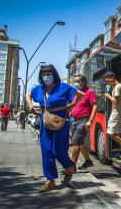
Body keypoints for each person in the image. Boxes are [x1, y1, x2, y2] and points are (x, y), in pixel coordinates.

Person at [25, 64, 85, 192]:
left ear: (54, 75)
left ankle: (69, 166)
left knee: (58, 149)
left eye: (49, 74)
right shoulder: (39, 88)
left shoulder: (62, 87)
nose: (46, 76)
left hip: (60, 118)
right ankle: (50, 180)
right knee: (46, 149)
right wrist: (31, 106)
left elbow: (81, 94)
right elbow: (27, 95)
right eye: (44, 74)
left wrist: (72, 106)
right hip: (45, 118)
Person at [69, 75, 97, 170]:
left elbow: (95, 106)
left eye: (77, 81)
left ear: (83, 82)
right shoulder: (76, 93)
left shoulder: (90, 92)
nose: (75, 83)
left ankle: (72, 167)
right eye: (74, 81)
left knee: (75, 142)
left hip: (84, 120)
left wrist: (90, 120)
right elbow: (74, 106)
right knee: (79, 142)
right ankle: (88, 161)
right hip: (74, 120)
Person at [103, 72, 121, 158]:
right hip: (120, 113)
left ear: (112, 78)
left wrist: (108, 96)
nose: (107, 83)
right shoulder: (119, 86)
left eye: (107, 81)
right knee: (120, 133)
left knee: (111, 133)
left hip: (116, 113)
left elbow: (115, 101)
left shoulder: (117, 87)